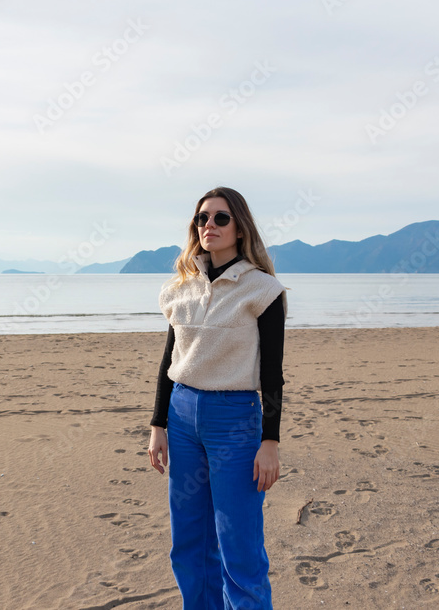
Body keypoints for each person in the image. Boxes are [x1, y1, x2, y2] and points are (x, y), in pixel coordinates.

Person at [148, 186, 287, 609]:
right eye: (202, 219)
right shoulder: (181, 289)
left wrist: (270, 441)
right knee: (189, 543)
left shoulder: (262, 290)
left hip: (234, 423)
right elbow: (170, 360)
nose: (209, 225)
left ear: (240, 228)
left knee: (239, 548)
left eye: (220, 218)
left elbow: (272, 375)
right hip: (182, 415)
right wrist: (158, 426)